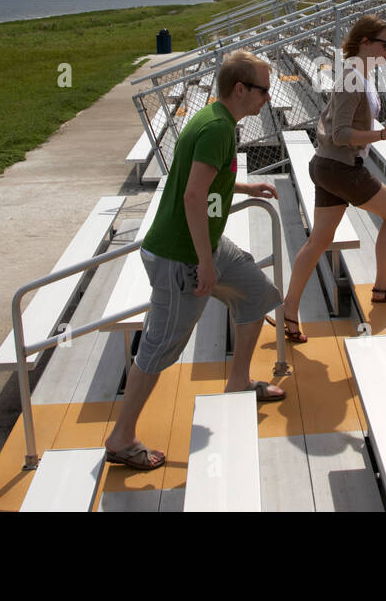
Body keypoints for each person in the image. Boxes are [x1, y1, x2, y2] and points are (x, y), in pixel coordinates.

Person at [103, 50, 285, 471]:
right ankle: (120, 438)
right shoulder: (216, 128)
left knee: (256, 294)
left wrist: (244, 187)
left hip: (203, 245)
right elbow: (192, 195)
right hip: (180, 255)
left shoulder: (217, 121)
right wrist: (204, 261)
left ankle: (239, 382)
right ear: (240, 89)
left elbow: (204, 180)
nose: (267, 99)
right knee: (159, 347)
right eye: (263, 90)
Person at [273, 15, 386, 343]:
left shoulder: (358, 74)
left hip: (327, 166)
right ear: (365, 43)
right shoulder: (352, 76)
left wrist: (379, 126)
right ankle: (382, 286)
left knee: (318, 241)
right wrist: (380, 134)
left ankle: (288, 311)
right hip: (341, 168)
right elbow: (341, 133)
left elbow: (342, 123)